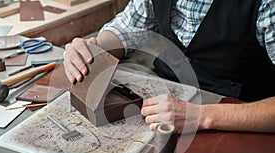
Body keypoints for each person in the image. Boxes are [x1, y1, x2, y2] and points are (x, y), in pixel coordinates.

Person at [63, 0, 275, 133]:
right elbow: (127, 29)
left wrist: (203, 116)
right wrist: (95, 49)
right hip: (164, 105)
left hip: (239, 121)